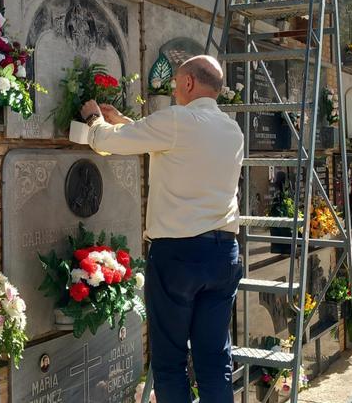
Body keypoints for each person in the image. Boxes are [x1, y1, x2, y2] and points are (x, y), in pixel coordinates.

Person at [80, 55, 244, 403]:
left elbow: (108, 142)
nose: (173, 91)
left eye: (174, 84)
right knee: (215, 361)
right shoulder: (232, 129)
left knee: (170, 362)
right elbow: (170, 144)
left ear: (187, 83)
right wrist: (125, 122)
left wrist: (94, 120)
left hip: (179, 256)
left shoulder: (177, 121)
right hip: (223, 254)